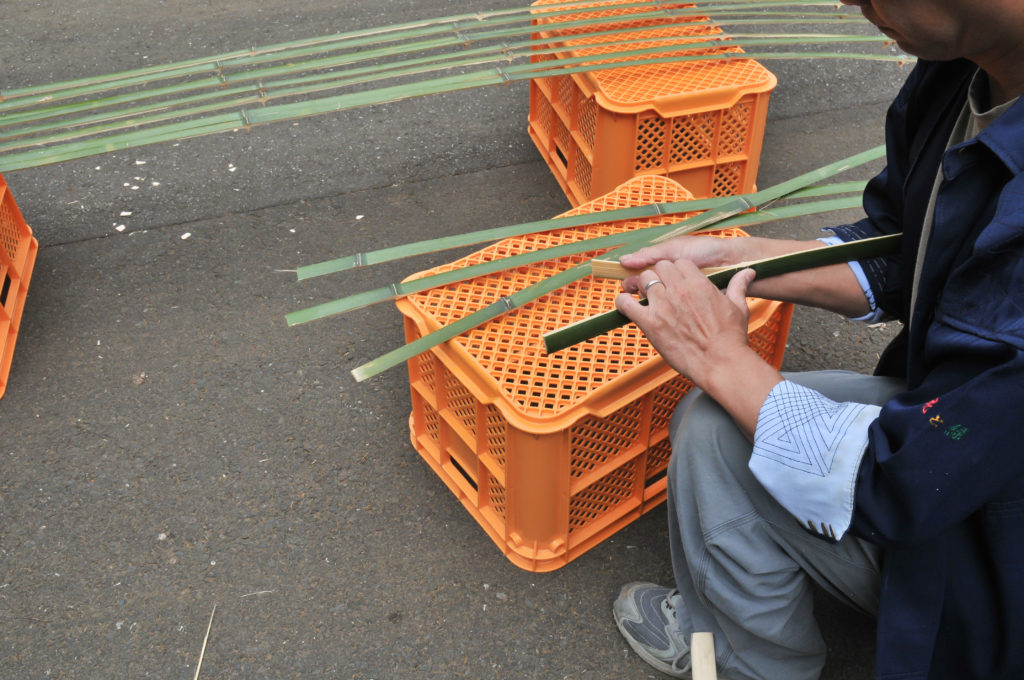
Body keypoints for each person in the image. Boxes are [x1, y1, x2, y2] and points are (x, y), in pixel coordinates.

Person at [609, 1, 1024, 678]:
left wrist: (720, 357)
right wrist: (741, 259)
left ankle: (744, 662)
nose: (849, 3)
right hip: (964, 439)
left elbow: (906, 481)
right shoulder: (960, 67)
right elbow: (905, 244)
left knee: (724, 422)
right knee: (717, 425)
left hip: (993, 549)